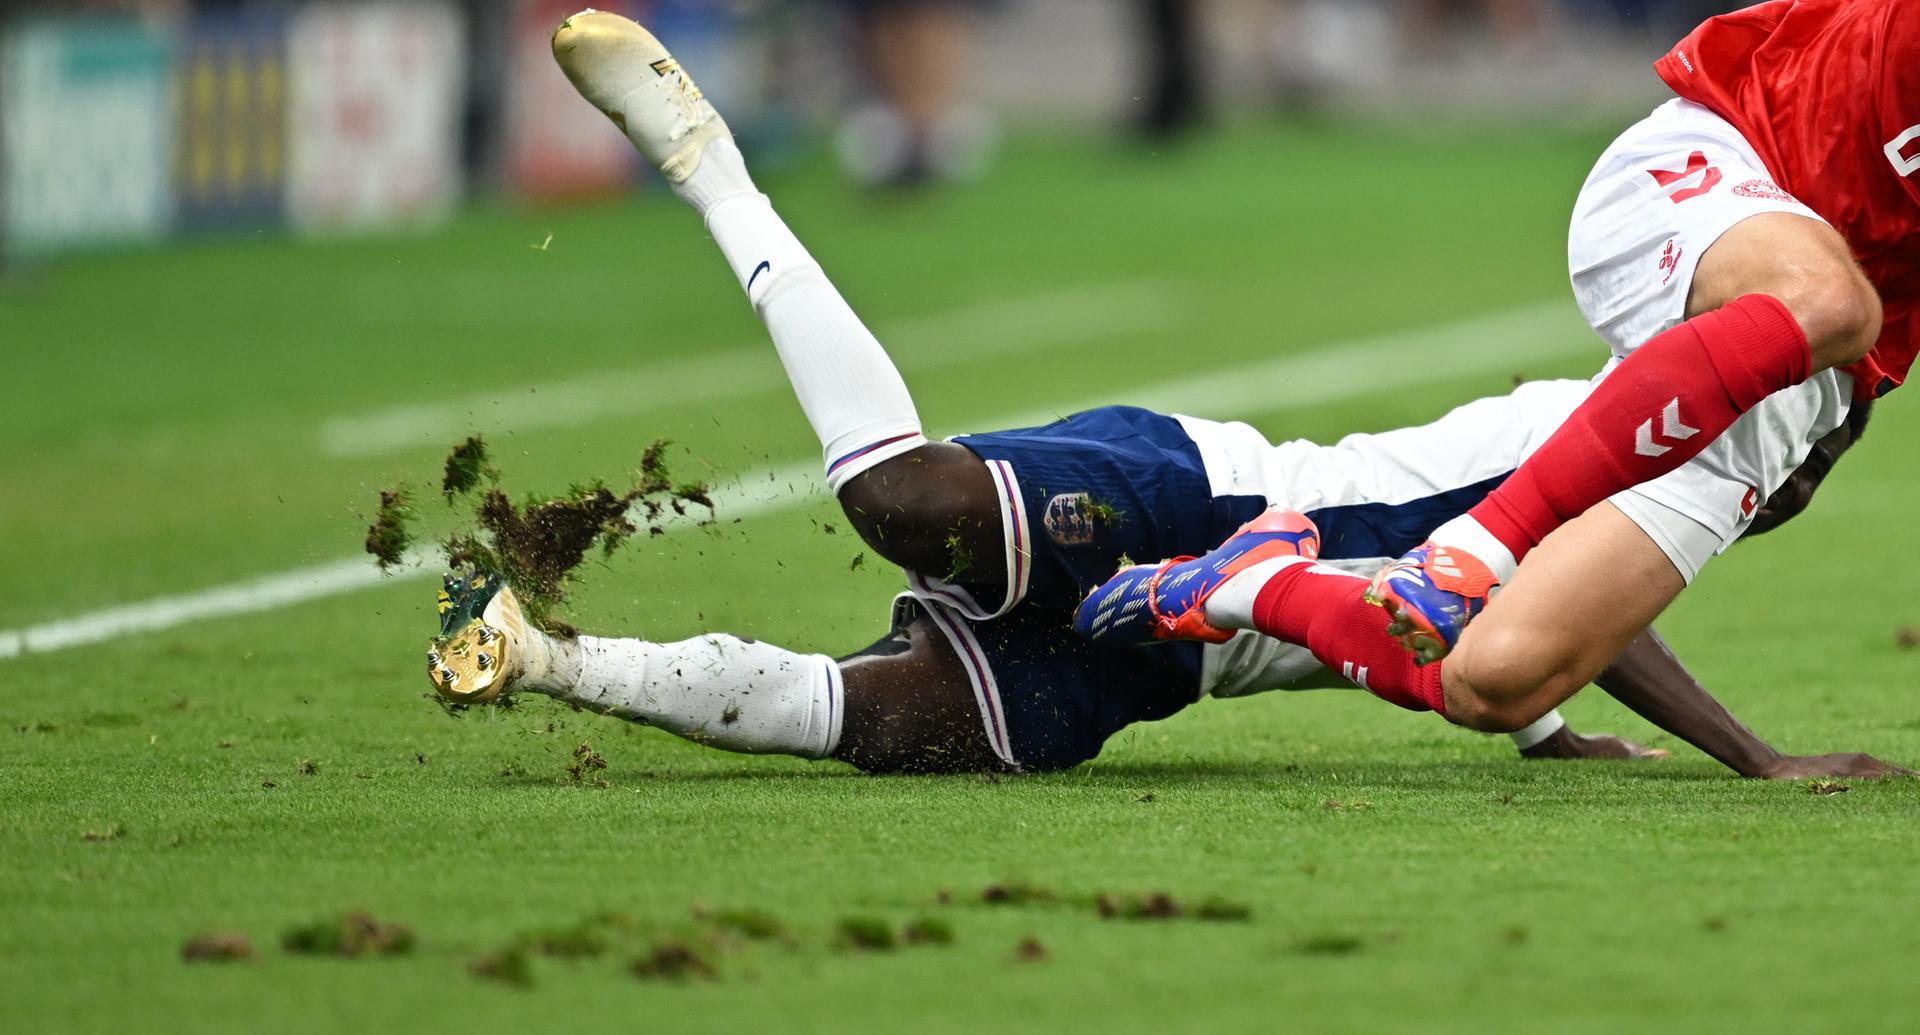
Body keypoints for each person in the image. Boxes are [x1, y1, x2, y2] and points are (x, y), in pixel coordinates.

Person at [423, 9, 1905, 782]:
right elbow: (1529, 535)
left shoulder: (1667, 505)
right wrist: (1726, 745)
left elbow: (1555, 627)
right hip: (1213, 496)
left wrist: (1688, 745)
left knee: (860, 725)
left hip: (1163, 670)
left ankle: (545, 658)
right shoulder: (1657, 423)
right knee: (904, 501)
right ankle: (709, 166)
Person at [1082, 0, 1920, 749]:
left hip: (1825, 362)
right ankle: (1473, 548)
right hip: (1723, 170)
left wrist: (1757, 760)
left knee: (1502, 681)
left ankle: (1253, 584)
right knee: (1832, 302)